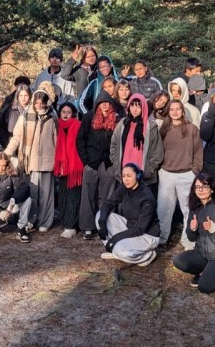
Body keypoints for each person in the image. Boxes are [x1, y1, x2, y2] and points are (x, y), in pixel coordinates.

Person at [172, 173, 215, 293]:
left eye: (204, 187)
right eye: (197, 187)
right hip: (202, 253)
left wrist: (214, 228)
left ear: (212, 189)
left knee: (204, 287)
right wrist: (192, 229)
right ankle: (205, 271)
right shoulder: (195, 208)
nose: (200, 190)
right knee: (179, 261)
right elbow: (191, 238)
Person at [3, 89, 58, 237]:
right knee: (32, 193)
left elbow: (57, 141)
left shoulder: (52, 118)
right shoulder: (25, 116)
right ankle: (30, 220)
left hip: (47, 161)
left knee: (46, 195)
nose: (39, 105)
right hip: (29, 161)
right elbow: (16, 137)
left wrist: (58, 161)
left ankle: (45, 222)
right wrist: (6, 154)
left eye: (42, 103)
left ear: (46, 103)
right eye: (36, 102)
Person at [156, 100, 203, 247]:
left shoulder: (191, 129)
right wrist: (159, 168)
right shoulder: (164, 129)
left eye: (178, 109)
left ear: (183, 111)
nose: (175, 112)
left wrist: (195, 171)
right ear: (168, 112)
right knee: (164, 208)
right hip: (166, 174)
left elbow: (198, 151)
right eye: (172, 109)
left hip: (186, 173)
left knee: (188, 209)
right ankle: (162, 238)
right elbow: (157, 150)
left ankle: (188, 240)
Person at [96, 163, 159, 266]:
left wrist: (115, 239)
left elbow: (140, 229)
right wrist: (102, 222)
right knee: (100, 215)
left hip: (147, 235)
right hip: (130, 226)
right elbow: (108, 204)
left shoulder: (147, 198)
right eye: (124, 176)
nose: (126, 179)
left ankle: (147, 255)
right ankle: (115, 250)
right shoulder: (124, 188)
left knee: (123, 253)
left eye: (129, 176)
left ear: (138, 176)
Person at [77, 91, 119, 240]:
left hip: (109, 163)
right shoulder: (89, 117)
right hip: (92, 163)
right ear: (97, 104)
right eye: (102, 103)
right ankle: (87, 227)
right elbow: (80, 140)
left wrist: (114, 161)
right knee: (88, 195)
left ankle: (104, 224)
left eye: (107, 102)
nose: (105, 105)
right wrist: (86, 160)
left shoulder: (117, 119)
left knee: (107, 196)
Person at [110, 93, 164, 193]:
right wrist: (116, 163)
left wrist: (149, 170)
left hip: (143, 175)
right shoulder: (122, 124)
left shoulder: (151, 127)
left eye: (139, 106)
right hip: (124, 174)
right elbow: (113, 145)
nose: (135, 109)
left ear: (143, 108)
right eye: (132, 105)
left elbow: (157, 152)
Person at [54, 101, 85, 238]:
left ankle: (71, 226)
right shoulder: (57, 126)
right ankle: (65, 222)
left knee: (73, 196)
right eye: (63, 112)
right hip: (62, 167)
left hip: (75, 167)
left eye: (68, 112)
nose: (66, 114)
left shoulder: (78, 125)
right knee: (63, 196)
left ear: (73, 114)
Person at [0, 83, 31, 150]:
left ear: (29, 96)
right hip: (12, 147)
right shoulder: (9, 111)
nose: (23, 98)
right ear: (17, 96)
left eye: (26, 95)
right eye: (21, 95)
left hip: (28, 147)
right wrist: (6, 145)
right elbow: (1, 129)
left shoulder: (33, 111)